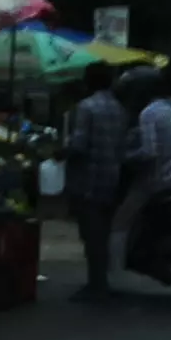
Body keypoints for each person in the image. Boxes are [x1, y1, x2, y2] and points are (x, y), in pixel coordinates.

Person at [61, 62, 126, 301]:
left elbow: (79, 145)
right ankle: (101, 282)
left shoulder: (86, 107)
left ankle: (96, 283)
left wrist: (61, 152)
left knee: (91, 235)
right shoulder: (119, 108)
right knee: (103, 233)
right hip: (112, 178)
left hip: (88, 181)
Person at [111, 68, 171, 268]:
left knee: (120, 220)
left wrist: (124, 158)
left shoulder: (148, 113)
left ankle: (115, 267)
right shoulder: (167, 109)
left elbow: (149, 151)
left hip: (154, 180)